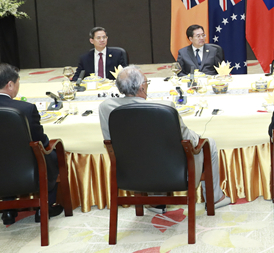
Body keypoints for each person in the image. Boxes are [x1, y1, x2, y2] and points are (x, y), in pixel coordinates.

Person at [99, 65, 231, 212]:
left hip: (129, 172)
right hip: (172, 173)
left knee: (149, 149)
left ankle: (157, 203)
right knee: (208, 143)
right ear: (142, 87)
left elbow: (110, 139)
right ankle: (215, 199)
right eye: (147, 83)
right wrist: (198, 137)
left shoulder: (106, 107)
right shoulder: (163, 108)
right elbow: (189, 139)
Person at [0, 63, 63, 225]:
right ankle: (44, 207)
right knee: (52, 152)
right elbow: (41, 142)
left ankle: (8, 209)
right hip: (25, 173)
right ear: (10, 85)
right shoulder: (26, 109)